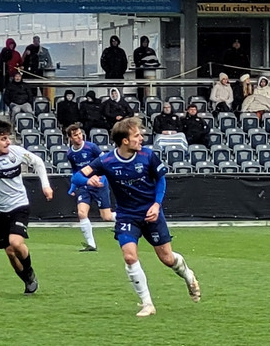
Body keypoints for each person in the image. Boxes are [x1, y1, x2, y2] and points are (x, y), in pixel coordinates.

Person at [70, 116, 200, 317]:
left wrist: (156, 205)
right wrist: (88, 181)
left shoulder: (148, 156)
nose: (141, 138)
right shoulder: (106, 161)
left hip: (150, 213)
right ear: (125, 140)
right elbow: (78, 176)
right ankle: (148, 304)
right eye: (137, 135)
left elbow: (161, 180)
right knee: (130, 256)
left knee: (167, 258)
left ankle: (188, 275)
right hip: (127, 215)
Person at [0, 118, 52, 293]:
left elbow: (37, 162)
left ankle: (29, 270)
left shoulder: (17, 152)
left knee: (15, 243)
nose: (8, 142)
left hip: (19, 205)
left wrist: (46, 186)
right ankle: (27, 280)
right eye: (3, 139)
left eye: (8, 138)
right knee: (10, 252)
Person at [65, 123, 114, 252]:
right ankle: (91, 244)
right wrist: (72, 187)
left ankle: (129, 219)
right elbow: (75, 171)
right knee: (81, 213)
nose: (79, 137)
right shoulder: (70, 153)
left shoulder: (91, 147)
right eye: (75, 135)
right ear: (70, 138)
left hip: (99, 184)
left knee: (107, 216)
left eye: (80, 134)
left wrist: (102, 177)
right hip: (85, 185)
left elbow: (104, 162)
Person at [0, 38, 22, 111]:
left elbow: (20, 63)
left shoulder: (16, 54)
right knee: (4, 94)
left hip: (13, 76)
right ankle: (2, 110)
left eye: (12, 44)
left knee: (11, 94)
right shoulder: (3, 53)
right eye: (10, 44)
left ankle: (10, 110)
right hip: (3, 77)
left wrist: (19, 67)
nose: (11, 46)